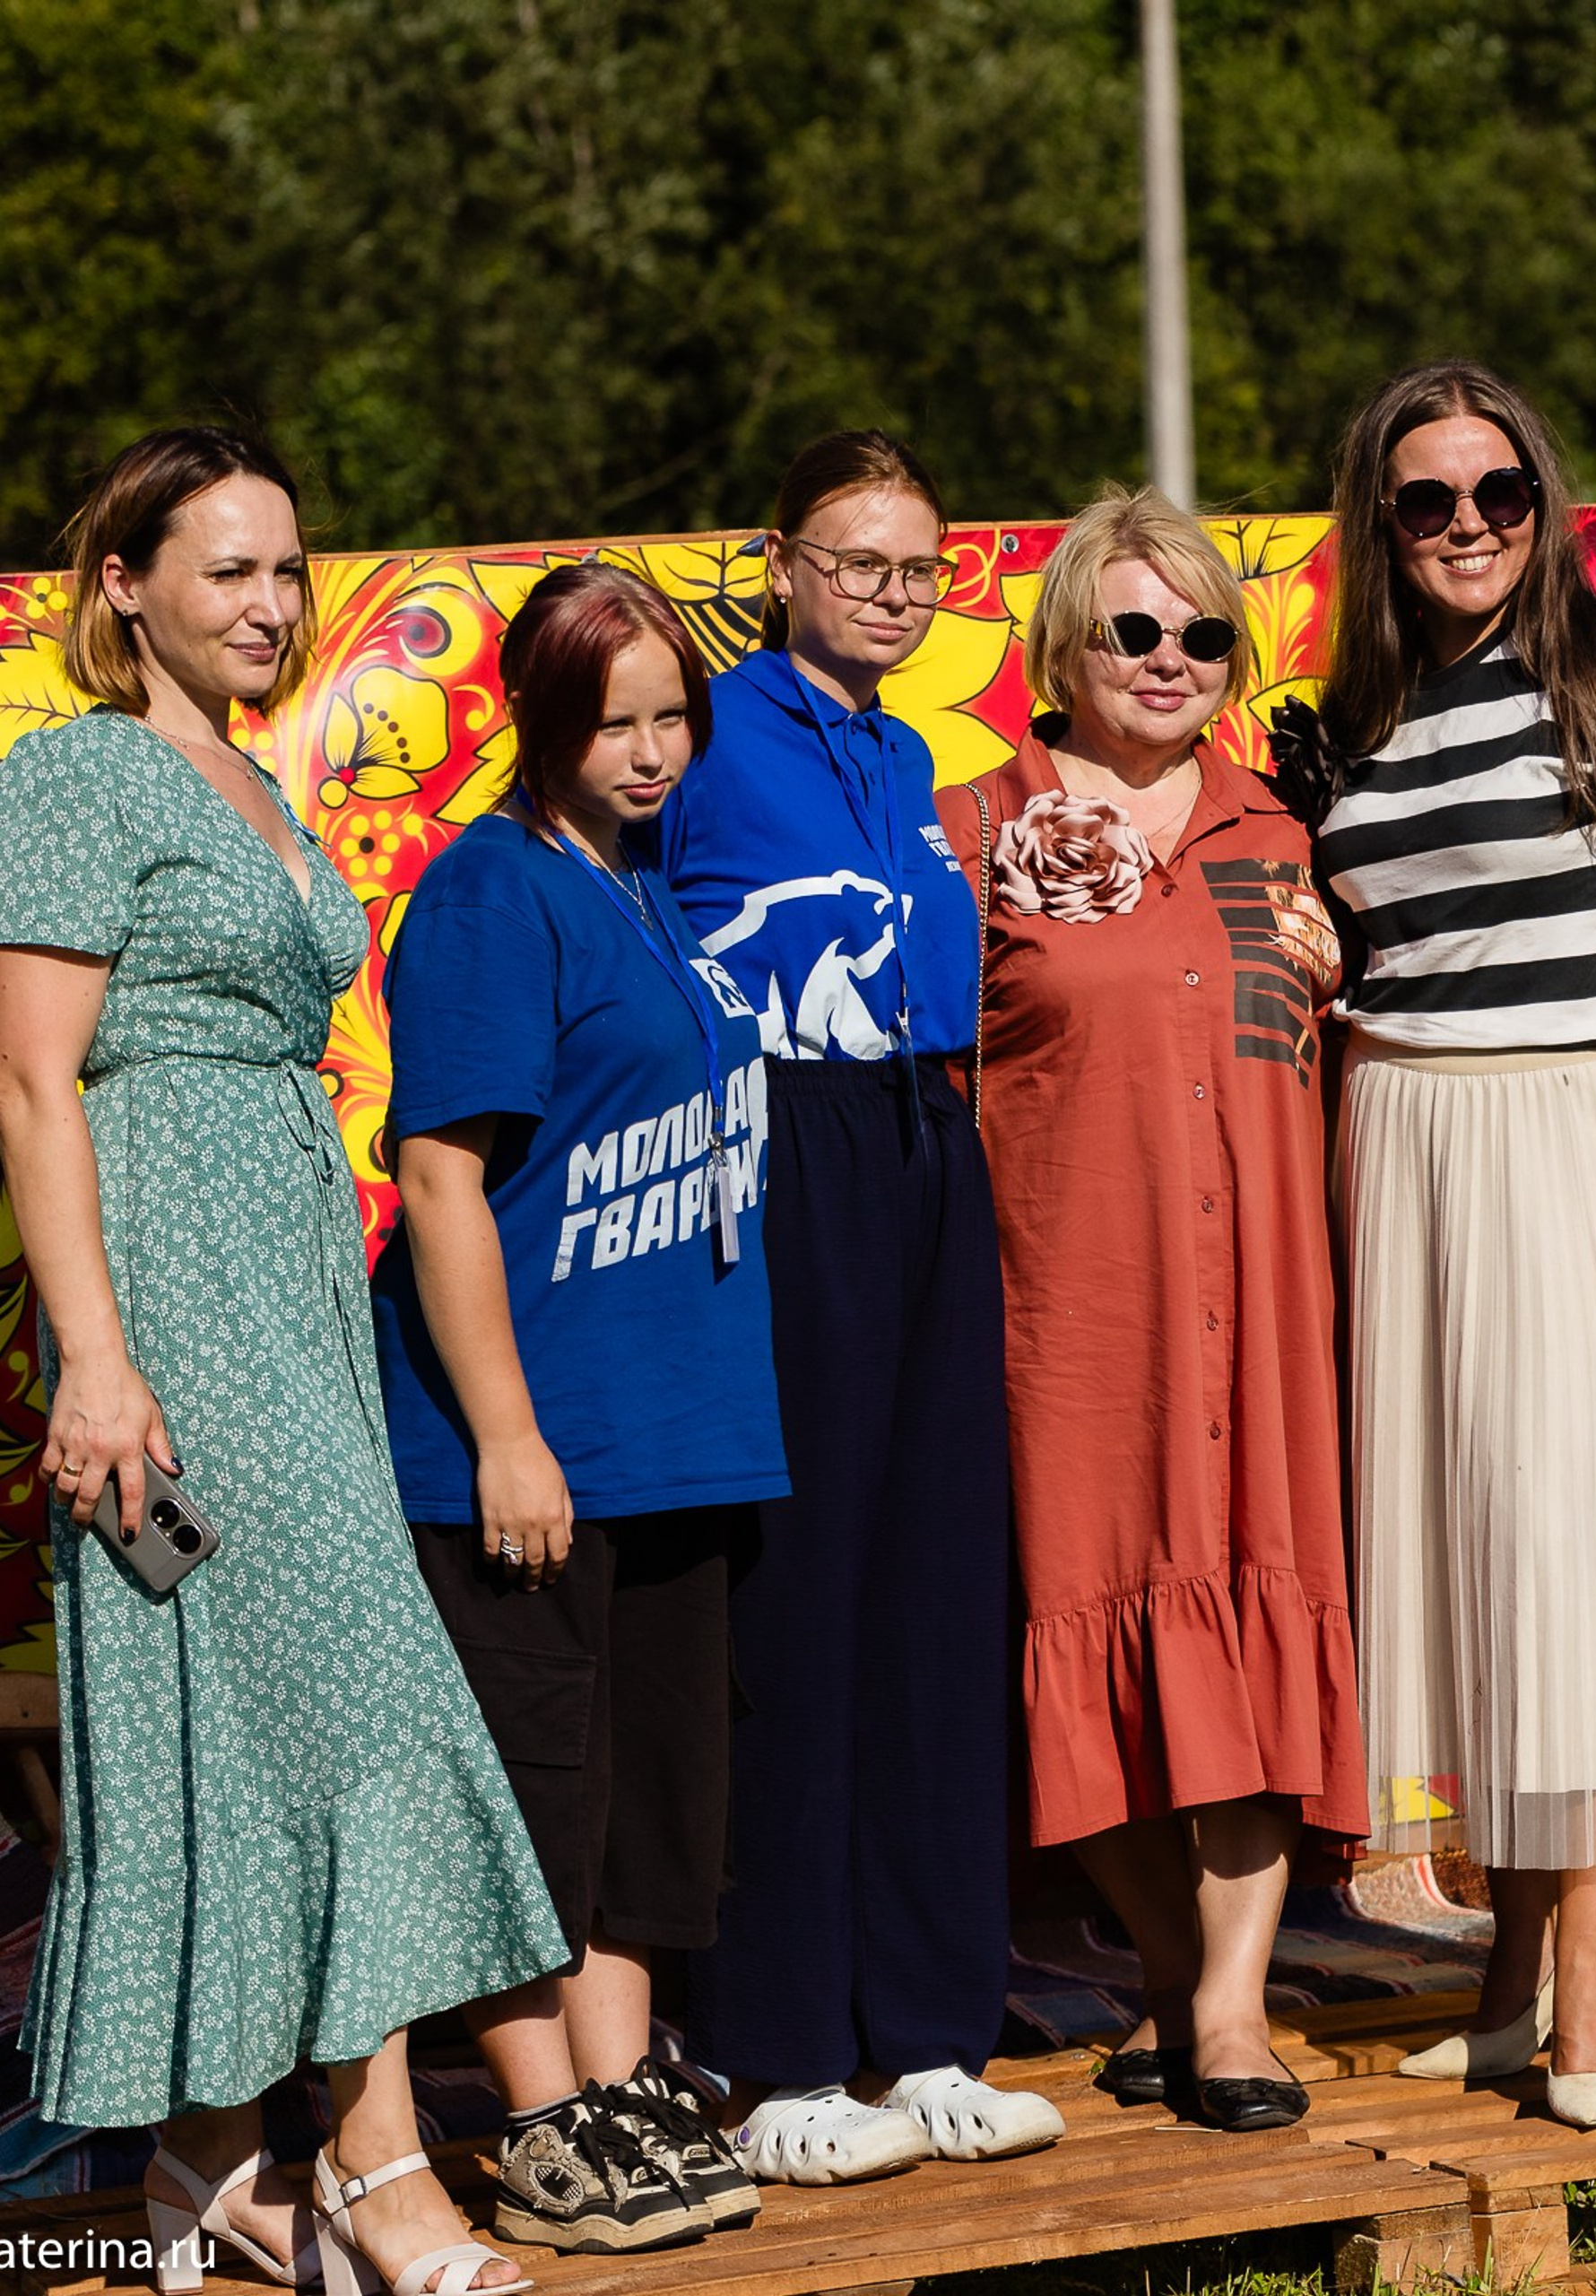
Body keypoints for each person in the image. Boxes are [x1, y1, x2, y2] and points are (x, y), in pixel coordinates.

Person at [0, 426, 565, 2295]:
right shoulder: (77, 773)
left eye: (286, 567)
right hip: (171, 1284)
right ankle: (378, 2166)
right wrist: (96, 1358)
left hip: (292, 1278)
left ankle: (215, 2162)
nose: (269, 602)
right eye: (226, 567)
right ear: (124, 586)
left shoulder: (248, 777)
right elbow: (33, 1083)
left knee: (254, 1728)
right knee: (364, 1705)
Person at [1285, 361, 1596, 2128]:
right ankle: (1502, 1972)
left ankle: (1590, 1971)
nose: (1467, 524)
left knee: (1569, 1552)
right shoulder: (1353, 716)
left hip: (1567, 1131)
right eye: (1427, 499)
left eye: (1498, 492)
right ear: (1381, 523)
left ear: (1541, 504)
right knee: (1470, 1547)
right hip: (1399, 1143)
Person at [653, 430, 1063, 2182]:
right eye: (857, 562)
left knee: (932, 1588)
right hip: (780, 1155)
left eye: (917, 569)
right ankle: (778, 2051)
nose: (892, 594)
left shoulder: (910, 755)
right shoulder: (700, 730)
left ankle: (927, 2033)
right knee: (797, 1597)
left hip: (923, 1143)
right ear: (781, 564)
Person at [936, 486, 1369, 2135]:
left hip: (1260, 1302)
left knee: (1259, 1617)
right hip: (1075, 1304)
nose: (1170, 657)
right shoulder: (975, 833)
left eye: (1204, 633)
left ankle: (1235, 2009)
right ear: (1064, 648)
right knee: (1083, 1621)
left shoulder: (1279, 833)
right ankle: (1183, 1973)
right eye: (1133, 628)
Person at [369, 562, 787, 2249]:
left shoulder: (649, 882)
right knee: (531, 1794)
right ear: (539, 720)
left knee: (650, 1796)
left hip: (675, 1434)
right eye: (612, 724)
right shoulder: (491, 890)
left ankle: (618, 2089)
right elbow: (442, 1179)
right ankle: (541, 2121)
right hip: (540, 1443)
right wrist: (506, 1433)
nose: (651, 752)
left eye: (672, 718)